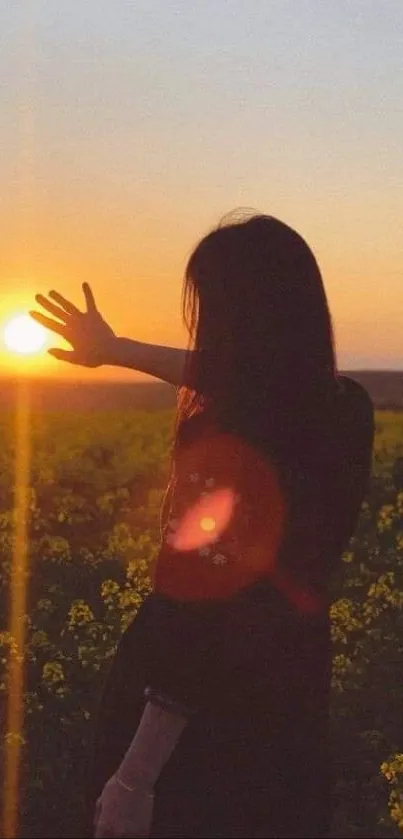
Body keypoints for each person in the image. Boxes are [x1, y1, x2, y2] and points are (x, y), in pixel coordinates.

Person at [31, 212, 374, 838]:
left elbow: (203, 619)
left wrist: (136, 776)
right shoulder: (343, 410)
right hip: (288, 713)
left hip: (197, 742)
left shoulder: (228, 437)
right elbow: (250, 380)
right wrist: (115, 351)